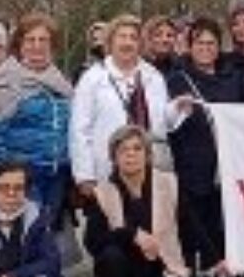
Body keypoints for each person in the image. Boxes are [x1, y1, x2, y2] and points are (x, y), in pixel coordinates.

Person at [82, 127, 190, 277]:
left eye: (137, 149)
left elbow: (192, 226)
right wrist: (130, 235)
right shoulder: (103, 192)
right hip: (124, 268)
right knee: (109, 257)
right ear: (114, 157)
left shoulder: (169, 183)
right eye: (123, 150)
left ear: (148, 155)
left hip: (161, 267)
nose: (130, 155)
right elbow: (92, 242)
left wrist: (217, 260)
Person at [165, 18, 244, 277]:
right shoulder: (177, 79)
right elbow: (168, 122)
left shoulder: (232, 78)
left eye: (211, 43)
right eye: (199, 42)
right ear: (190, 46)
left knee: (219, 227)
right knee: (191, 228)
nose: (205, 48)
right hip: (191, 163)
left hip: (225, 165)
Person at [0, 14, 75, 235]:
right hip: (23, 176)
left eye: (43, 40)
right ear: (19, 45)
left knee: (47, 236)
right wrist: (5, 178)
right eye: (31, 40)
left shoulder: (62, 82)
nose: (37, 46)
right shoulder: (5, 82)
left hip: (57, 173)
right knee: (26, 236)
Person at [70, 14, 173, 197]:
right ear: (110, 42)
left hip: (148, 171)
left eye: (133, 38)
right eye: (122, 37)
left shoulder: (154, 78)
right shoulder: (92, 79)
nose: (127, 43)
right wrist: (84, 175)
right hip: (106, 172)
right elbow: (79, 129)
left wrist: (177, 112)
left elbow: (162, 124)